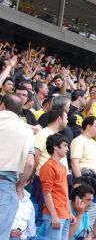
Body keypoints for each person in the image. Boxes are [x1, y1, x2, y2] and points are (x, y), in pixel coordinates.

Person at [0, 94, 34, 239]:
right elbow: (29, 163)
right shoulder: (26, 130)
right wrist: (20, 185)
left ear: (2, 105)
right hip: (6, 185)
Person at [71, 116, 96, 231]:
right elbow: (75, 162)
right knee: (88, 217)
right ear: (88, 126)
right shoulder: (78, 140)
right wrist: (80, 185)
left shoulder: (93, 142)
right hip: (86, 182)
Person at [39, 133, 71, 240]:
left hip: (64, 214)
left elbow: (65, 192)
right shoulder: (48, 167)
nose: (67, 149)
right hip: (55, 214)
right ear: (55, 147)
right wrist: (54, 215)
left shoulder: (63, 167)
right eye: (65, 145)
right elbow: (46, 193)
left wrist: (69, 212)